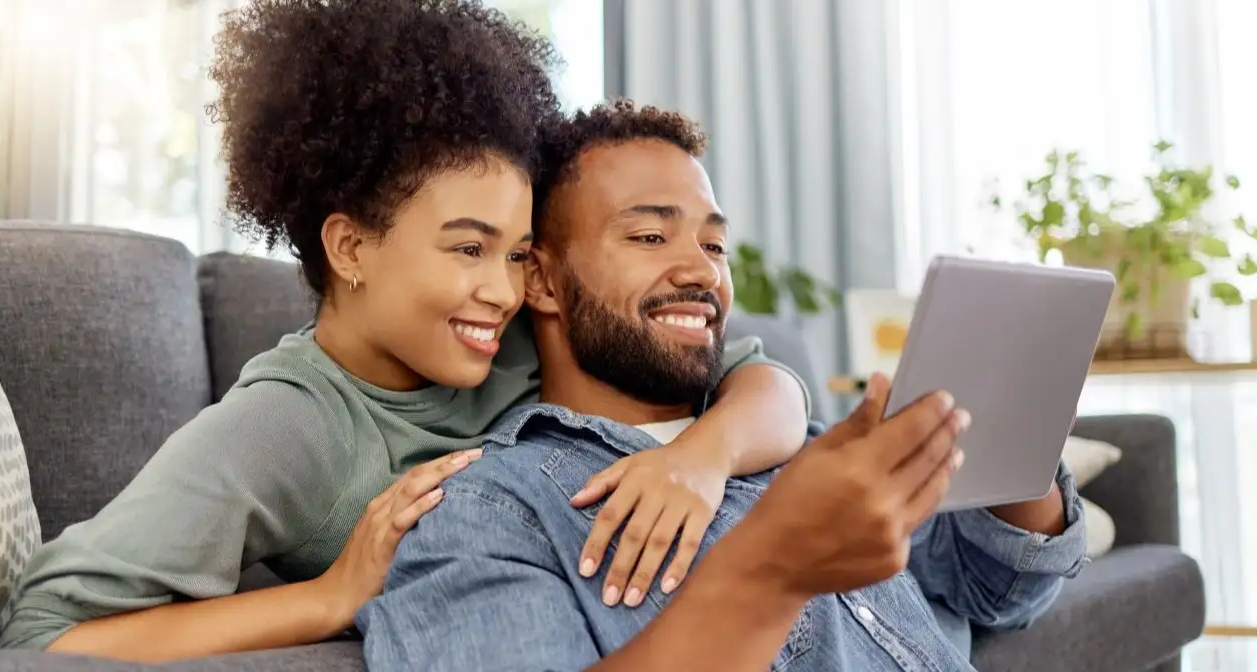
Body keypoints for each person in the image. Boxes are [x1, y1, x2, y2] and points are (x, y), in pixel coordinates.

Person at [0, 0, 811, 662]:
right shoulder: (288, 427)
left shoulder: (521, 329)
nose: (502, 289)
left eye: (518, 252)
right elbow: (44, 633)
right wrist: (330, 596)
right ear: (350, 249)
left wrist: (702, 459)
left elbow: (763, 381)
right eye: (467, 248)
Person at [356, 101, 1089, 671]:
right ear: (542, 279)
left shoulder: (798, 451)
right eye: (650, 237)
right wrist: (770, 568)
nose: (702, 271)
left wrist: (1012, 423)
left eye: (714, 245)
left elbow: (995, 590)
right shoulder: (493, 511)